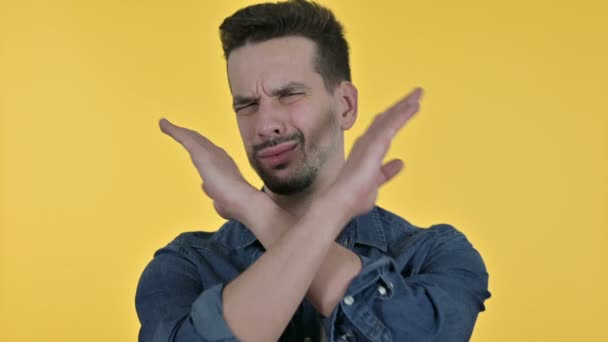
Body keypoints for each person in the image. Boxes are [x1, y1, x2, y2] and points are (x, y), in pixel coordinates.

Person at [135, 0, 491, 341]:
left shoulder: (432, 254)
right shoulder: (186, 266)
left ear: (346, 106)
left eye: (289, 94)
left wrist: (255, 209)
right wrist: (329, 212)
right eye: (247, 104)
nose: (266, 124)